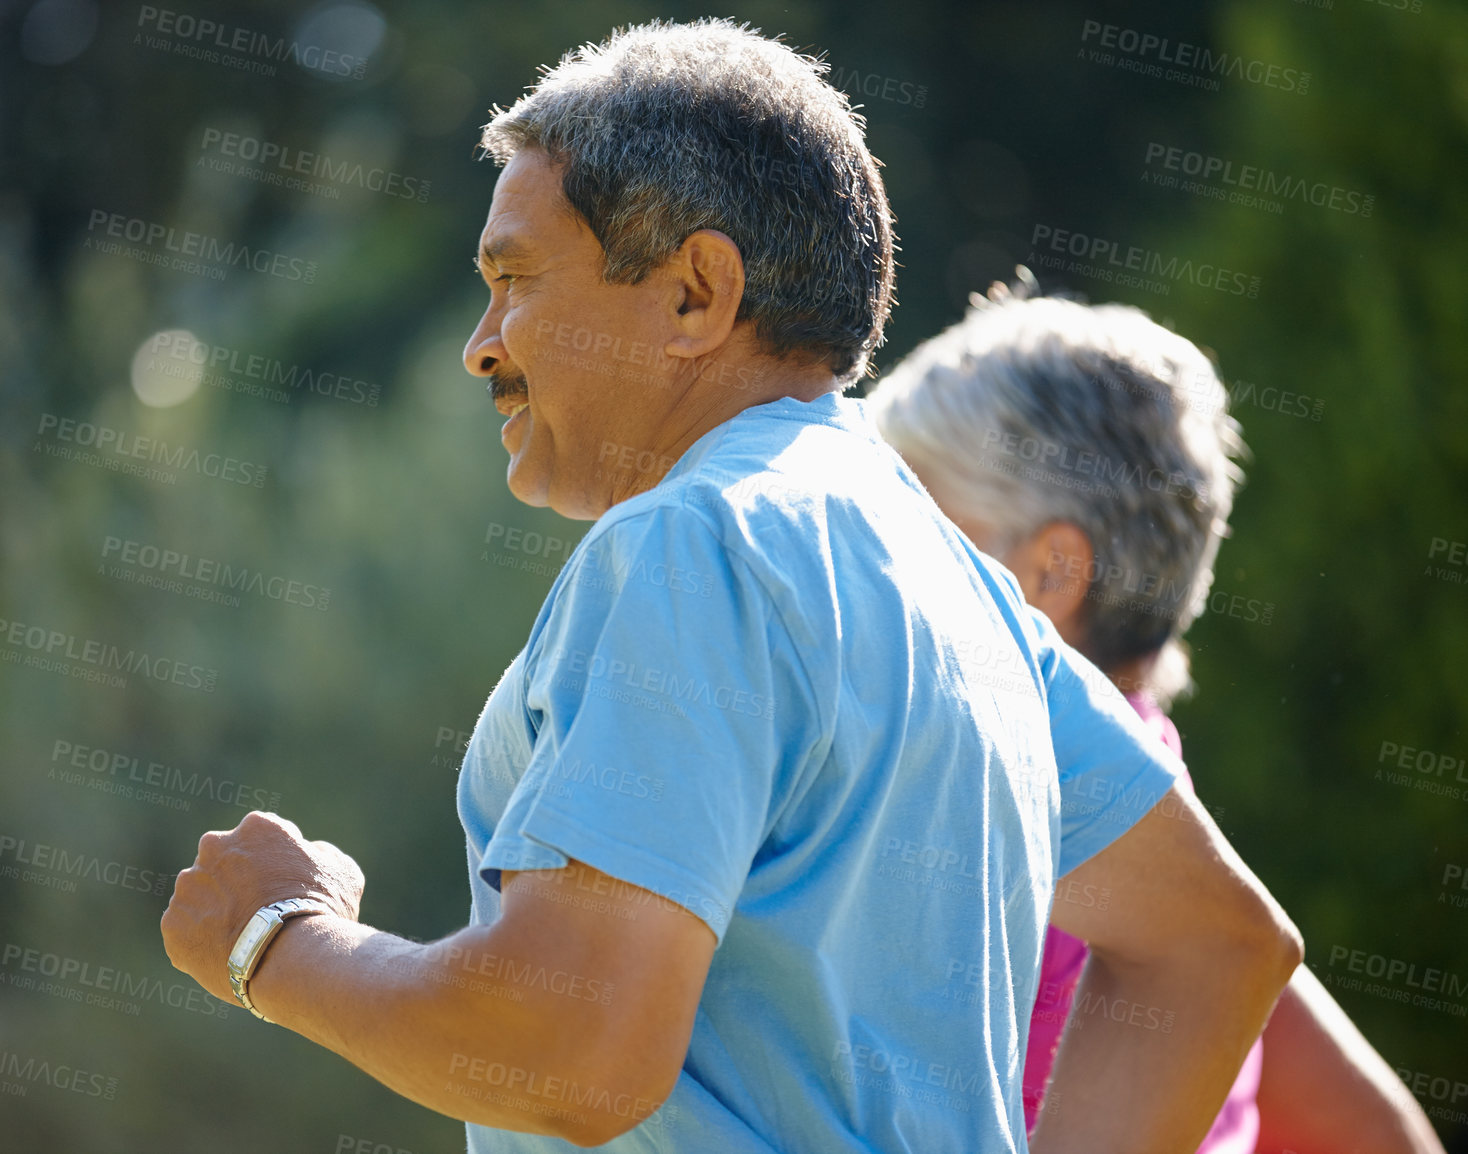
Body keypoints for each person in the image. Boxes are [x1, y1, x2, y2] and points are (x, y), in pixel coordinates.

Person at [160, 21, 1300, 1151]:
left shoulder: (692, 538)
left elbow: (574, 1048)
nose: (481, 343)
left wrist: (281, 938)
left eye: (514, 280)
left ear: (697, 293)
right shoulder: (955, 579)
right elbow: (1216, 941)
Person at [867, 273, 1443, 1154]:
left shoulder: (990, 809)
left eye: (914, 531)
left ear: (1050, 575)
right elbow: (1378, 1135)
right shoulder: (1160, 798)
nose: (875, 569)